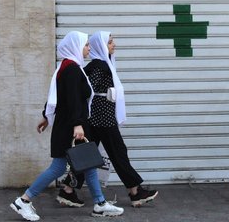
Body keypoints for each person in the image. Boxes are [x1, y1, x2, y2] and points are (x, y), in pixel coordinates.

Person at [9, 31, 124, 221]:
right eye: (86, 45)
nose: (89, 48)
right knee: (58, 168)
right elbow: (72, 99)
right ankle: (24, 200)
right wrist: (77, 124)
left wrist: (47, 115)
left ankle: (100, 204)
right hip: (70, 127)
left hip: (71, 124)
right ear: (76, 46)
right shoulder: (71, 69)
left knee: (89, 164)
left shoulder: (68, 66)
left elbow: (58, 94)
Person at [59, 31, 158, 208]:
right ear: (101, 46)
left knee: (87, 156)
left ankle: (67, 189)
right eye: (110, 42)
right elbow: (86, 91)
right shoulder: (98, 67)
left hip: (99, 119)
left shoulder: (103, 64)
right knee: (118, 152)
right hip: (101, 119)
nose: (114, 45)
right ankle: (135, 191)